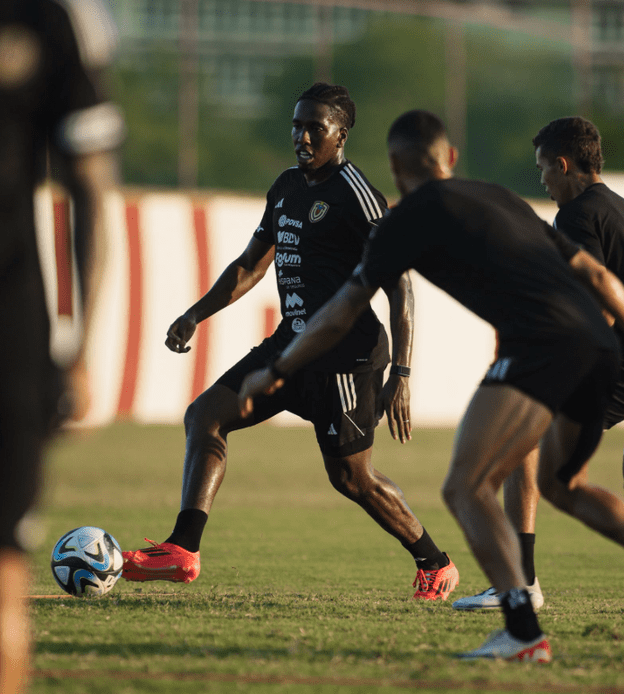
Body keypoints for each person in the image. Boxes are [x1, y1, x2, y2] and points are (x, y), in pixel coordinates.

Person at [239, 109, 624, 662]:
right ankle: (522, 620)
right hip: (600, 347)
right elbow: (596, 276)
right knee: (565, 487)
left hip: (541, 348)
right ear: (451, 158)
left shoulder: (405, 221)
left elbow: (342, 309)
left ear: (396, 166)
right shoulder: (499, 196)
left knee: (464, 487)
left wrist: (277, 369)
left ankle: (522, 632)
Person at [122, 83, 459, 600]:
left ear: (340, 134)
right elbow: (250, 266)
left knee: (352, 478)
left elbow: (401, 284)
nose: (301, 137)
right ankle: (182, 549)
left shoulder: (357, 193)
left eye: (314, 128)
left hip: (347, 356)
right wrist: (195, 314)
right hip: (290, 346)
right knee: (206, 415)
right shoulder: (285, 187)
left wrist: (404, 374)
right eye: (296, 125)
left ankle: (435, 563)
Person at [0, 0, 124, 694]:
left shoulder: (41, 18)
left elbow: (90, 192)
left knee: (0, 568)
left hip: (4, 332)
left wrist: (80, 342)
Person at [453, 116, 624, 612]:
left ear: (564, 164)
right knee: (540, 461)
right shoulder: (615, 207)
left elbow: (592, 300)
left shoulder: (575, 217)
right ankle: (521, 579)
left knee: (542, 465)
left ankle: (522, 583)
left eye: (543, 170)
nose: (543, 182)